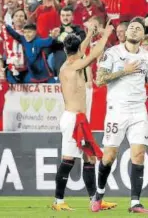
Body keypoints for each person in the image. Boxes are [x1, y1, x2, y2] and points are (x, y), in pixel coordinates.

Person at [52, 24, 117, 211]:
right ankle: (58, 201)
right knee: (68, 160)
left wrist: (89, 34)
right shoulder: (71, 67)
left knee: (90, 159)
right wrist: (105, 35)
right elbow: (93, 54)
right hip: (72, 119)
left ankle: (94, 200)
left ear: (65, 49)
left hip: (79, 118)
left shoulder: (71, 62)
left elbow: (81, 51)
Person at [92, 17, 148, 213]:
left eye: (138, 29)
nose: (133, 31)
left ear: (143, 35)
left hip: (139, 110)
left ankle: (135, 202)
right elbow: (99, 80)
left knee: (139, 155)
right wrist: (123, 71)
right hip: (117, 110)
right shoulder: (113, 53)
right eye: (131, 27)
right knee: (109, 156)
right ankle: (99, 194)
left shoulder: (146, 56)